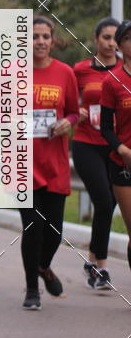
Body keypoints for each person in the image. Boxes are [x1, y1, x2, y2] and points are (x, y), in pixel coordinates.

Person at [19, 17, 79, 310]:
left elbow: (73, 112)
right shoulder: (10, 74)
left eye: (44, 36)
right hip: (22, 164)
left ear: (52, 40)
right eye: (34, 37)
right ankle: (32, 290)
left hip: (55, 163)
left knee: (54, 232)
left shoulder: (65, 73)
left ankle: (43, 267)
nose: (40, 41)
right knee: (33, 228)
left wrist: (67, 122)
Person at [72, 17, 120, 290]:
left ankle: (91, 260)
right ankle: (100, 268)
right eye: (106, 37)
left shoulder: (126, 73)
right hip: (87, 143)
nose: (111, 43)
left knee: (109, 206)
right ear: (95, 39)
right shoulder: (79, 70)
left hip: (116, 147)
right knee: (103, 202)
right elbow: (65, 99)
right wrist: (74, 110)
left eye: (116, 38)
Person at [100, 19, 131, 284]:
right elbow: (105, 128)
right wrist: (122, 150)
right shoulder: (112, 82)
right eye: (129, 38)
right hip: (122, 164)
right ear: (120, 45)